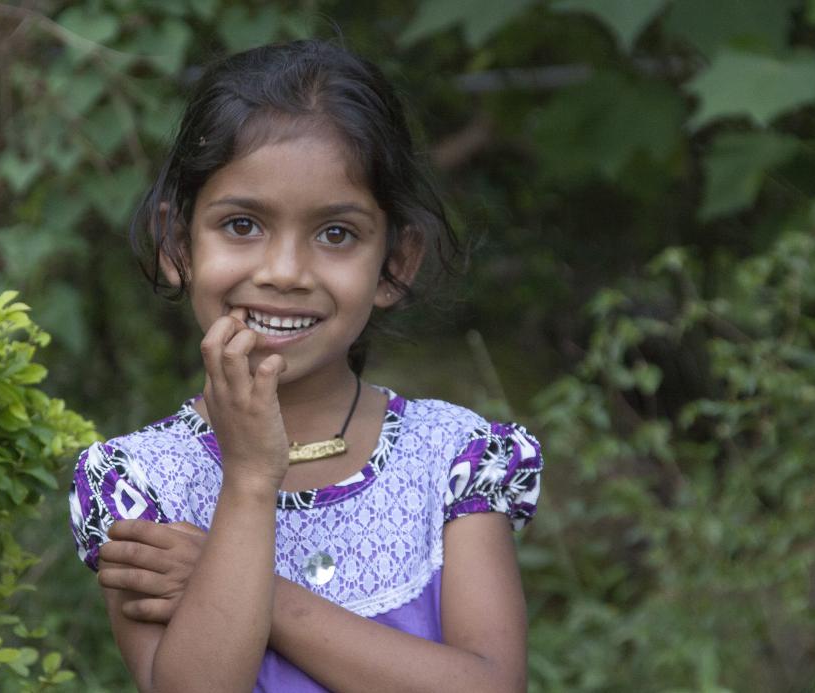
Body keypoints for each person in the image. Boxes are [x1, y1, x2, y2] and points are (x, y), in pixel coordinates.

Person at [68, 39, 543, 693]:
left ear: (395, 263)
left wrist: (267, 595)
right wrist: (250, 477)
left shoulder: (454, 459)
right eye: (241, 225)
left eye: (336, 233)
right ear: (177, 241)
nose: (284, 272)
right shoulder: (137, 485)